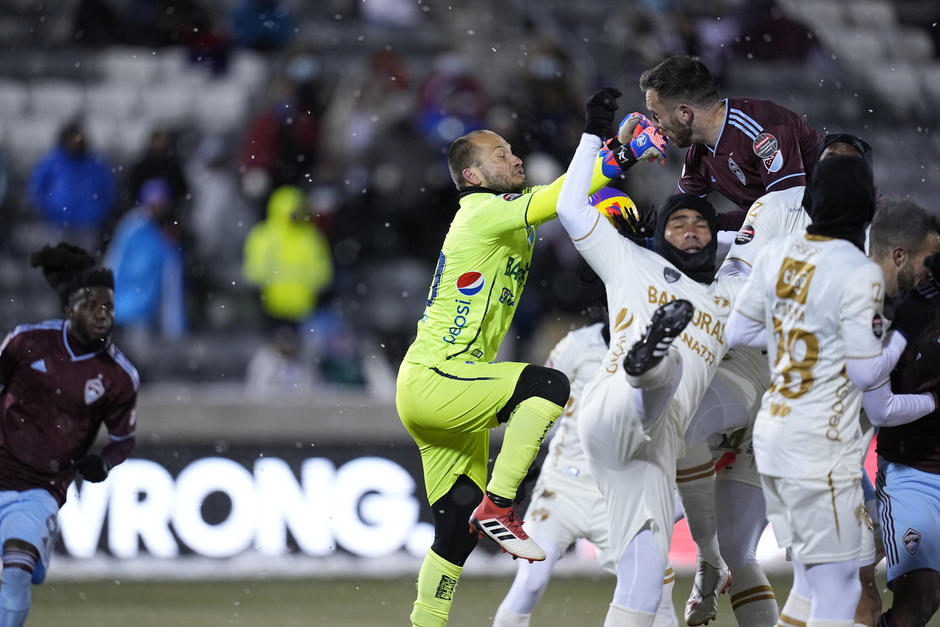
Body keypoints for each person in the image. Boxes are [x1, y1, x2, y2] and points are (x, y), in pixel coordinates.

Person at [395, 91, 662, 627]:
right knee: (548, 386)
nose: (514, 158)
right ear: (471, 178)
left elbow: (565, 202)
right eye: (500, 155)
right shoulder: (481, 214)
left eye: (512, 151)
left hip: (442, 382)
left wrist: (614, 156)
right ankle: (500, 505)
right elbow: (563, 198)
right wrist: (619, 155)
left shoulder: (499, 215)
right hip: (439, 377)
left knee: (453, 533)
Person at [554, 89, 744, 627]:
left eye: (700, 225)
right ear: (657, 233)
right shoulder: (629, 260)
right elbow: (570, 207)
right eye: (677, 223)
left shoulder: (729, 293)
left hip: (649, 452)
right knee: (671, 367)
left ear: (715, 237)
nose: (689, 229)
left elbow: (765, 239)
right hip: (615, 403)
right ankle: (649, 361)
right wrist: (593, 132)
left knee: (644, 583)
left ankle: (653, 362)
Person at [725, 157, 934, 627]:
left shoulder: (777, 253)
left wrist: (797, 335)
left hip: (774, 436)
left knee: (813, 584)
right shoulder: (858, 271)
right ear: (864, 207)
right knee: (839, 590)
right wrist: (905, 328)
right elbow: (865, 375)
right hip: (820, 446)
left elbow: (737, 332)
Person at [491, 317, 681, 627]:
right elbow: (538, 402)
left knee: (656, 586)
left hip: (619, 493)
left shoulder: (661, 354)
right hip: (562, 487)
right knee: (530, 583)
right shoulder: (577, 345)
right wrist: (522, 464)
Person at [0, 243, 138, 626]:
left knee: (14, 572)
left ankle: (29, 551)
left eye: (108, 307)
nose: (102, 315)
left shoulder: (119, 376)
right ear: (68, 310)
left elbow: (123, 439)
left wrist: (104, 462)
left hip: (38, 488)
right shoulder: (25, 343)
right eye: (93, 306)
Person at [868, 201, 940, 627]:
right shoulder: (885, 316)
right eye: (930, 259)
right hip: (914, 473)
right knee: (919, 602)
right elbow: (880, 408)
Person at [636, 54, 822, 214]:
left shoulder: (762, 130)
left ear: (684, 113)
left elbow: (788, 214)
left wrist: (716, 222)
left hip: (835, 229)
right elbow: (679, 214)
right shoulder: (698, 157)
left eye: (656, 116)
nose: (653, 125)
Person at [104, 178, 187, 348]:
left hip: (147, 311)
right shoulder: (132, 228)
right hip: (123, 307)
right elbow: (115, 263)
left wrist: (174, 324)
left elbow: (171, 282)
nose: (158, 208)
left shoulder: (167, 235)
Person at [242, 185, 333, 328]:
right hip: (271, 308)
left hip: (302, 309)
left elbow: (322, 275)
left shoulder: (310, 237)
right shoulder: (264, 236)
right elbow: (254, 272)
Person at [28, 120, 116, 253]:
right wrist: (49, 210)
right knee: (58, 266)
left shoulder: (94, 163)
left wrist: (96, 213)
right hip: (57, 225)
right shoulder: (52, 161)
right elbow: (37, 188)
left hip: (86, 226)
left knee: (84, 266)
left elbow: (107, 190)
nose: (75, 143)